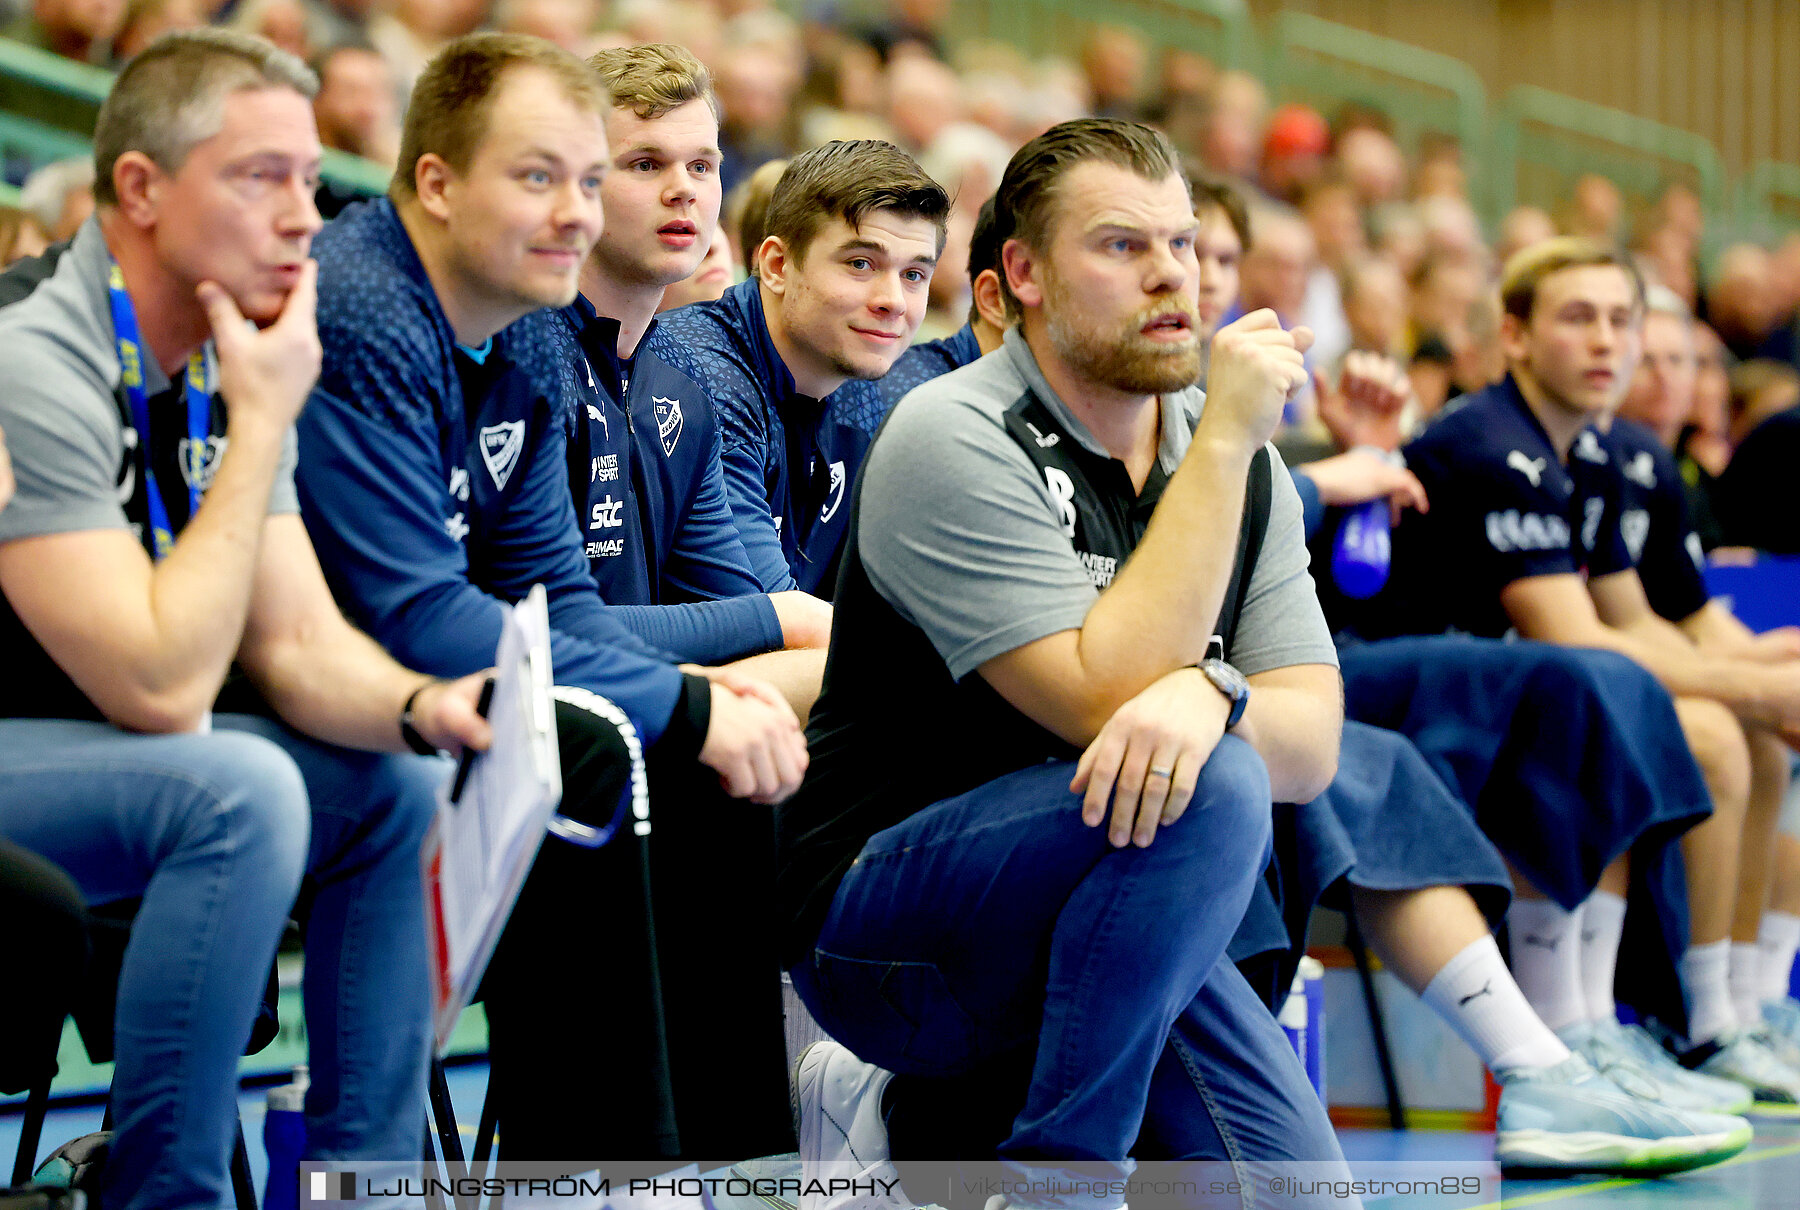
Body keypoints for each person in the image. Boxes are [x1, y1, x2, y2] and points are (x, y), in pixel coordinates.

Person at [779, 117, 1348, 1206]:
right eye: (1122, 247)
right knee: (1212, 779)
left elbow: (1311, 742)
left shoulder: (1242, 463)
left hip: (1118, 919)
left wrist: (1208, 688)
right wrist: (1224, 448)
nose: (1171, 275)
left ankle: (918, 1124)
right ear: (1024, 276)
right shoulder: (950, 432)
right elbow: (1100, 700)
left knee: (1302, 1196)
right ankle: (1059, 1178)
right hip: (890, 934)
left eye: (1181, 244)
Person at [0, 29, 492, 1209]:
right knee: (239, 787)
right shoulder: (34, 355)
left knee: (398, 783)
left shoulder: (224, 356)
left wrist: (431, 708)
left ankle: (357, 1185)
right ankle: (169, 1194)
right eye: (258, 175)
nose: (303, 214)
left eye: (311, 180)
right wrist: (268, 418)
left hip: (95, 754)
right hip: (37, 745)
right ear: (141, 188)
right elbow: (161, 689)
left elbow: (299, 643)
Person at [294, 33, 808, 1161]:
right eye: (544, 178)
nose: (575, 214)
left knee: (670, 741)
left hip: (433, 703)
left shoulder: (525, 330)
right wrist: (700, 699)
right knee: (603, 742)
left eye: (586, 180)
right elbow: (420, 611)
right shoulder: (365, 301)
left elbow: (556, 616)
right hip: (315, 708)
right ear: (436, 182)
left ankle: (730, 1163)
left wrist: (707, 704)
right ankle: (599, 1172)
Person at [1370, 237, 1800, 1109]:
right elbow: (1574, 637)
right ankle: (1684, 1024)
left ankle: (1654, 1021)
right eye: (1578, 319)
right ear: (1517, 337)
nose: (1607, 342)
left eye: (1621, 321)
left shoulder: (1594, 453)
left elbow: (1634, 621)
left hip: (1512, 692)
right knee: (1700, 730)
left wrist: (1764, 667)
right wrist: (1758, 685)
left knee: (1733, 728)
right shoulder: (1491, 444)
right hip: (1403, 696)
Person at [548, 42, 832, 714]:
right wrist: (786, 618)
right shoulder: (526, 358)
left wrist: (785, 623)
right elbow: (541, 625)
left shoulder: (680, 385)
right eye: (645, 163)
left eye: (702, 164)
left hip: (636, 708)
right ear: (578, 182)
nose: (684, 188)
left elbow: (733, 604)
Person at [651, 140, 949, 595]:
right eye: (861, 264)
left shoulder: (868, 388)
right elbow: (774, 619)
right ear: (776, 265)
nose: (893, 302)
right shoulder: (698, 375)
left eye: (913, 275)